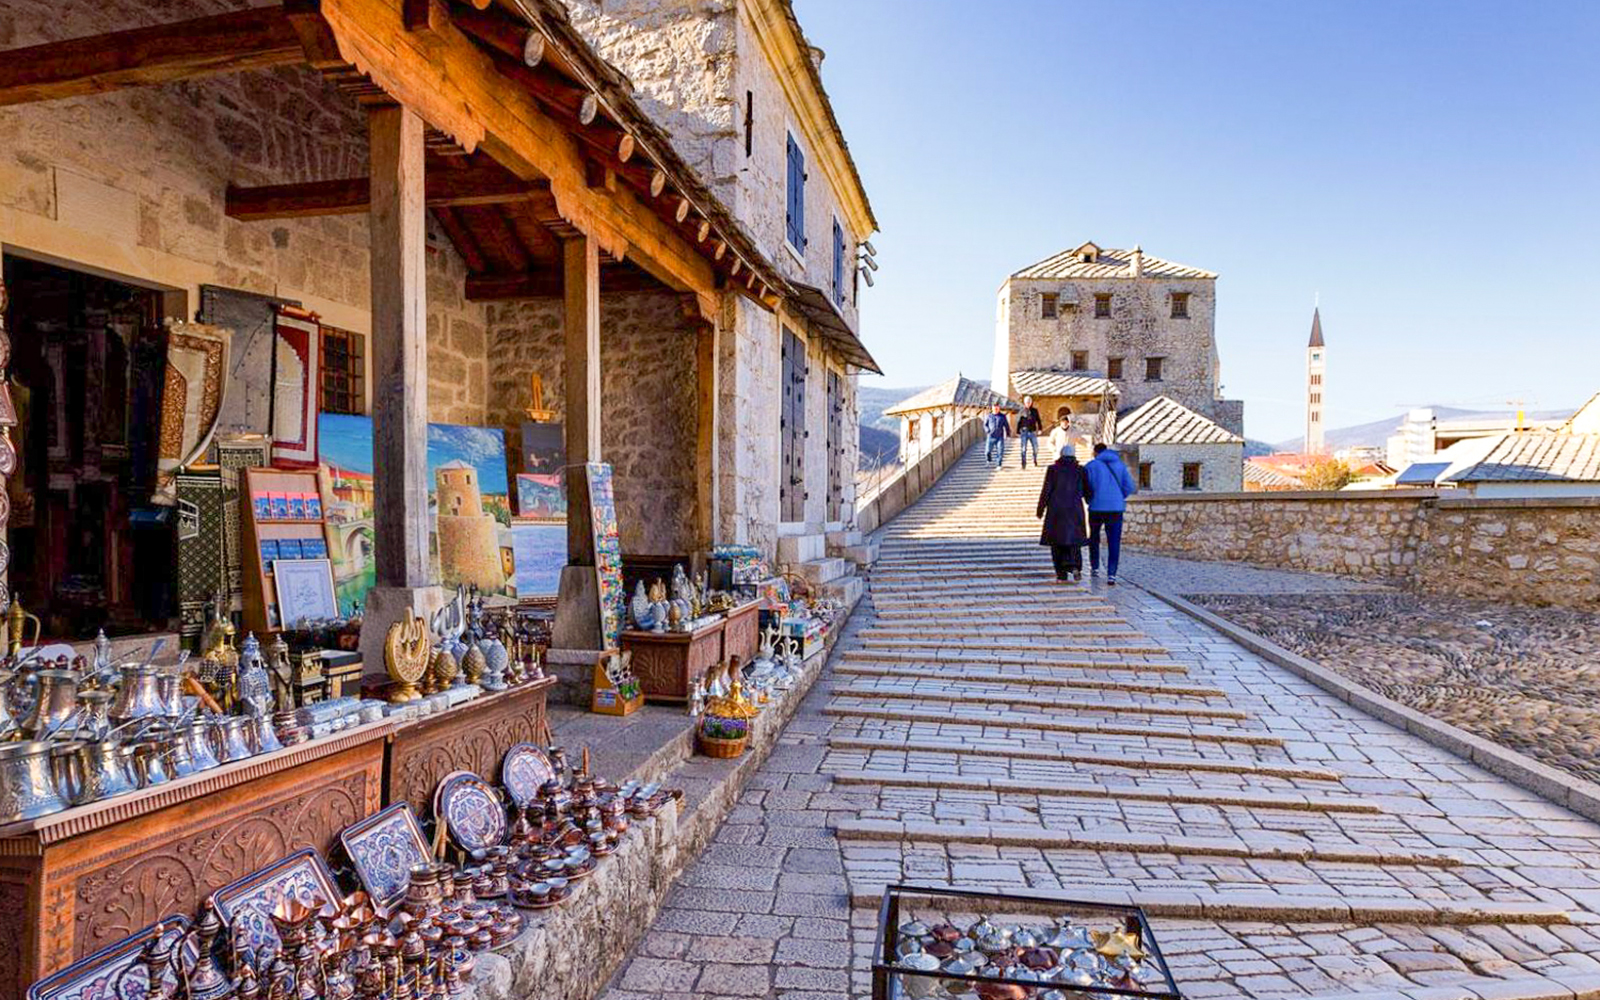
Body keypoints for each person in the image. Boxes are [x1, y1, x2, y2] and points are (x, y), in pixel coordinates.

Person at [1084, 442, 1138, 585]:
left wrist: (1090, 499)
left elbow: (1085, 487)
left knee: (1094, 538)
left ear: (1095, 452)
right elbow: (1130, 486)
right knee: (1114, 541)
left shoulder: (1090, 466)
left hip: (1096, 507)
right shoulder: (1120, 465)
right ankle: (1111, 574)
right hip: (1115, 509)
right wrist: (1119, 497)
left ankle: (1095, 568)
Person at [1036, 446, 1092, 581]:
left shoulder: (1053, 469)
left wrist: (1040, 509)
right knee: (1075, 541)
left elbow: (1046, 490)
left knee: (1056, 542)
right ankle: (1075, 566)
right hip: (1075, 509)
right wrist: (1090, 501)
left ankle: (1061, 573)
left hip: (1056, 510)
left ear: (1061, 455)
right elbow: (1087, 490)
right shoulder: (1080, 470)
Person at [1016, 395, 1042, 468]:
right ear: (1024, 403)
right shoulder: (1021, 411)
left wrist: (1040, 429)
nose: (1028, 403)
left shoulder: (1035, 411)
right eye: (1027, 402)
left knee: (1036, 448)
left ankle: (1034, 460)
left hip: (1032, 431)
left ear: (1031, 402)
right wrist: (1017, 431)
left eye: (1029, 402)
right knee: (1023, 449)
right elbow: (1018, 421)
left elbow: (1038, 420)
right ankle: (1023, 463)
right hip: (1024, 432)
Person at [982, 404, 1011, 469]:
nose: (996, 408)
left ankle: (999, 464)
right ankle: (988, 460)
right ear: (992, 408)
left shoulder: (1002, 416)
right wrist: (987, 430)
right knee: (987, 451)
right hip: (991, 436)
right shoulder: (989, 416)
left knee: (1000, 451)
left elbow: (1006, 426)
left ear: (999, 408)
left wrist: (1008, 434)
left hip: (999, 437)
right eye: (994, 407)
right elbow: (985, 425)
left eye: (997, 407)